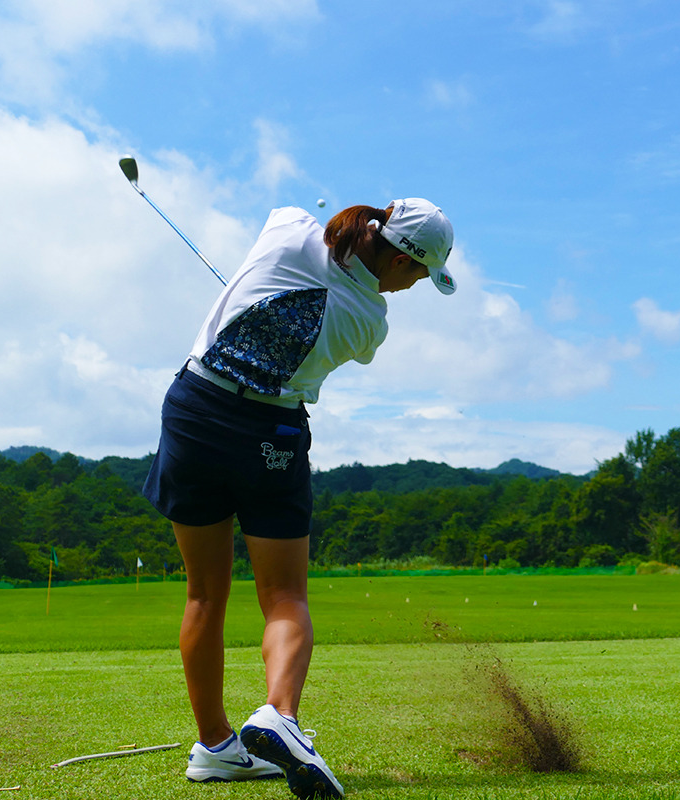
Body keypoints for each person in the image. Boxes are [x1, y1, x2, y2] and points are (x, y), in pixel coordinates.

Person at [143, 198, 456, 799]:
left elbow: (305, 227)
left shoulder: (289, 228)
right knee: (284, 594)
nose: (414, 286)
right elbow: (342, 300)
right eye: (418, 273)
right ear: (397, 260)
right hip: (269, 435)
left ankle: (214, 748)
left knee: (204, 593)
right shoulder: (369, 321)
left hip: (195, 410)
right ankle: (278, 715)